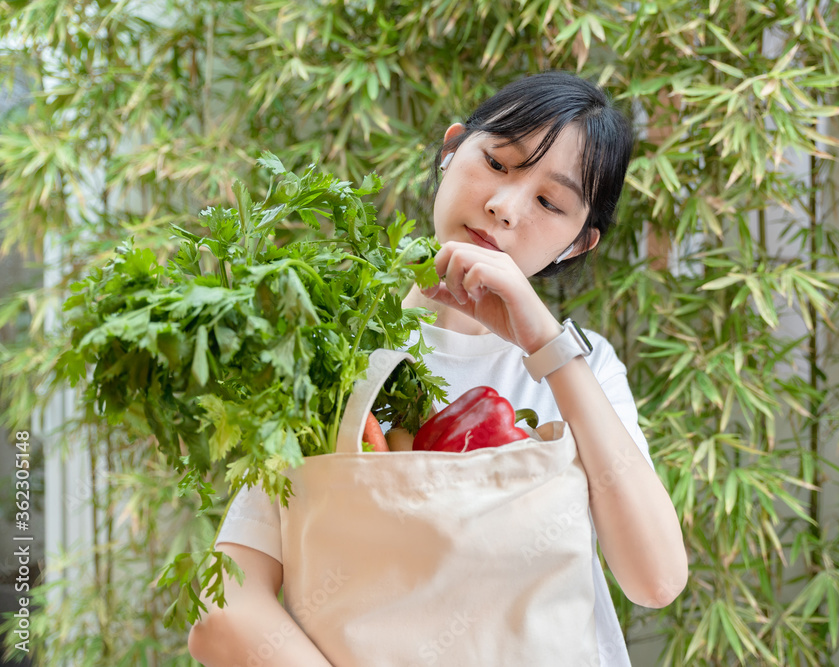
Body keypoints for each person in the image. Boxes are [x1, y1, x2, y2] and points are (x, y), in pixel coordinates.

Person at [187, 70, 688, 667]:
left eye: (550, 203)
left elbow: (655, 581)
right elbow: (223, 609)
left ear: (577, 244)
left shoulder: (587, 368)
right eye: (499, 164)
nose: (504, 207)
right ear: (451, 152)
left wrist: (549, 348)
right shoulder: (331, 359)